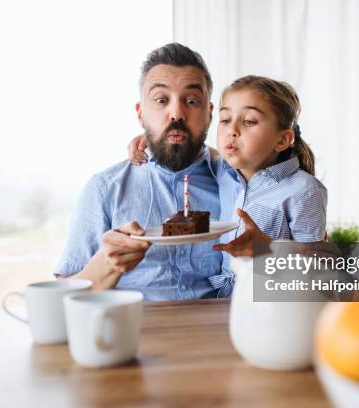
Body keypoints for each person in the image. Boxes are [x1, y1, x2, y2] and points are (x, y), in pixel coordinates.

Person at [130, 75, 328, 297]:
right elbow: (195, 150)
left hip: (273, 310)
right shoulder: (223, 170)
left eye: (249, 121)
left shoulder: (304, 190)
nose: (231, 130)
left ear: (282, 140)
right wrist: (159, 138)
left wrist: (268, 250)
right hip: (225, 303)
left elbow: (318, 273)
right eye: (225, 120)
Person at [54, 43, 223, 301]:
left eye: (191, 101)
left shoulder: (237, 184)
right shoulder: (105, 189)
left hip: (221, 333)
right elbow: (62, 297)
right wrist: (107, 264)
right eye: (161, 100)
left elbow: (284, 289)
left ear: (209, 113)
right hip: (132, 334)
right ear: (141, 113)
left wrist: (266, 257)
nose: (176, 113)